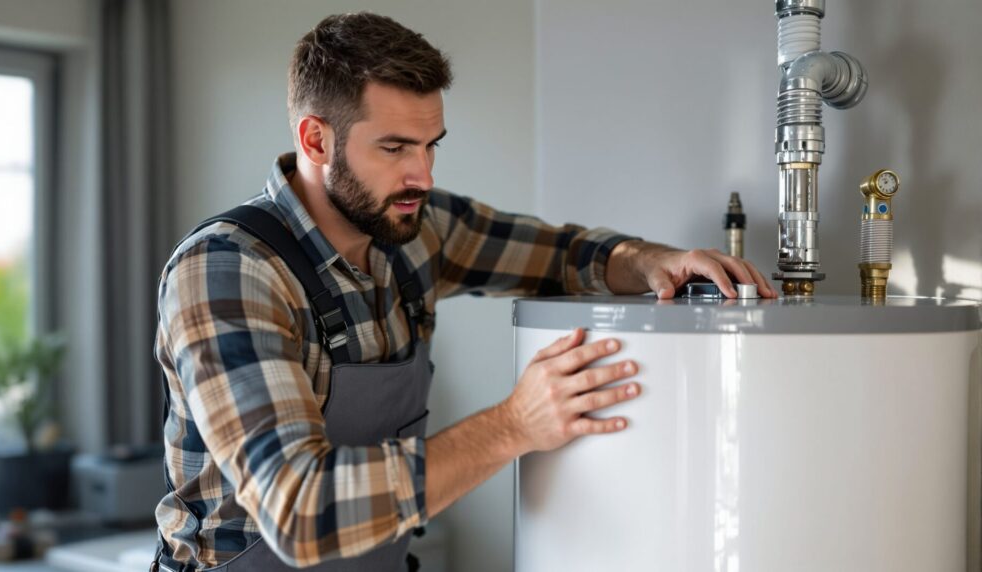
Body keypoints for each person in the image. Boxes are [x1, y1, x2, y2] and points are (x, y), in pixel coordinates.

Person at [151, 12, 776, 572]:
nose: (422, 176)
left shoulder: (413, 228)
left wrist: (650, 260)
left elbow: (562, 254)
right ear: (316, 140)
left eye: (431, 146)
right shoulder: (229, 271)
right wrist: (514, 424)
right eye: (394, 147)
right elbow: (299, 514)